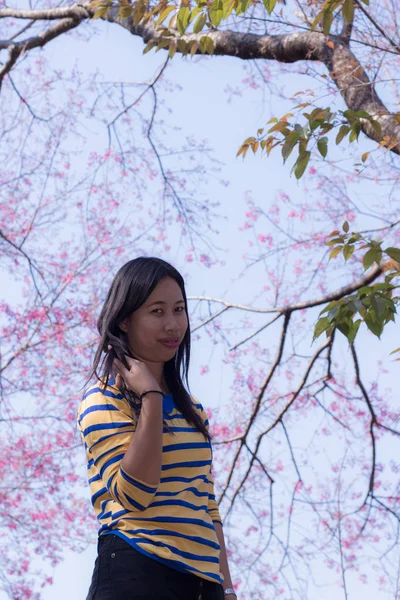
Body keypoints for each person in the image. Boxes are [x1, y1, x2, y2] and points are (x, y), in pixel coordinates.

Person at [76, 257, 237, 600]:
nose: (173, 324)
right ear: (124, 321)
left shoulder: (192, 410)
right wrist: (149, 397)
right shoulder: (103, 401)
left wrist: (227, 586)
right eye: (157, 311)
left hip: (201, 584)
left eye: (179, 310)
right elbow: (135, 494)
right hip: (136, 572)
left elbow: (205, 503)